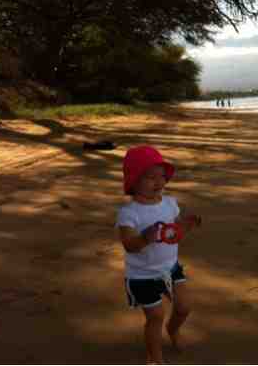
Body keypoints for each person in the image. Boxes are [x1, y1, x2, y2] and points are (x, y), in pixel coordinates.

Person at [116, 145, 201, 364]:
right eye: (150, 177)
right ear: (134, 181)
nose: (159, 182)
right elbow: (129, 245)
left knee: (184, 307)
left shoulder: (170, 203)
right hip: (142, 276)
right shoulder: (129, 213)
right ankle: (155, 357)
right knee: (155, 317)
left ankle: (173, 330)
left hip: (170, 268)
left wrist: (187, 225)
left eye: (162, 176)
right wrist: (146, 238)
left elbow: (175, 231)